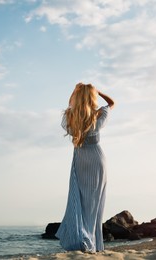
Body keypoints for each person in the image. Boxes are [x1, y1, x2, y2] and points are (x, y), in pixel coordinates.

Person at [55, 82, 115, 253]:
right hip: (97, 160)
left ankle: (82, 241)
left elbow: (70, 104)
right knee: (94, 204)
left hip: (80, 160)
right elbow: (112, 103)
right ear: (92, 98)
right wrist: (98, 91)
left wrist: (75, 90)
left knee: (79, 201)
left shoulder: (70, 116)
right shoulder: (97, 115)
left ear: (76, 97)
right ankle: (92, 243)